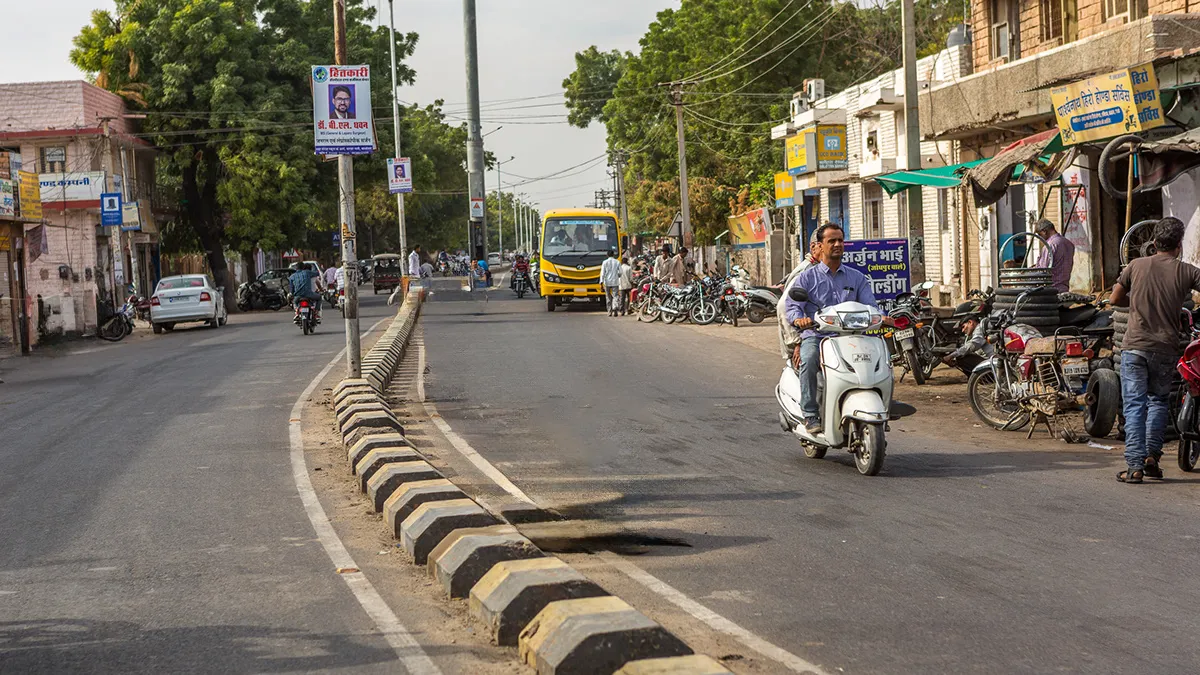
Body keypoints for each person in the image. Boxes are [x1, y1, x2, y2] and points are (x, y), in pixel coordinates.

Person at [1110, 217, 1200, 483]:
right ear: (1179, 244)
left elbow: (1115, 299)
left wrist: (1137, 302)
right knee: (1158, 401)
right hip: (1165, 348)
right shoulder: (1187, 271)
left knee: (1135, 405)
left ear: (1154, 242)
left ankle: (1135, 466)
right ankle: (1152, 458)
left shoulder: (1135, 266)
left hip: (1135, 347)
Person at [784, 223, 881, 434]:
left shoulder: (857, 277)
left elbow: (870, 306)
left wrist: (881, 317)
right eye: (832, 241)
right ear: (820, 245)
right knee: (809, 360)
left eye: (840, 240)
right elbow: (791, 307)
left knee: (880, 360)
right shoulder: (807, 277)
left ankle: (879, 407)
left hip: (851, 336)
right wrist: (799, 319)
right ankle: (810, 414)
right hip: (818, 335)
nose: (837, 244)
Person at [777, 232, 824, 363]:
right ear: (814, 247)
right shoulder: (805, 272)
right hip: (805, 338)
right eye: (826, 244)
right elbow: (783, 307)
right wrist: (797, 343)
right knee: (809, 364)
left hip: (824, 336)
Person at [942, 302, 992, 376]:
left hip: (993, 364)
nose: (962, 330)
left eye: (963, 327)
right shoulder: (977, 331)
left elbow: (971, 346)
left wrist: (951, 356)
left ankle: (984, 378)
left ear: (970, 322)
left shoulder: (980, 329)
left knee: (962, 358)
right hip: (990, 362)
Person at [1035, 219, 1075, 293]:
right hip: (1064, 288)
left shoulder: (1049, 245)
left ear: (1044, 231)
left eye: (1040, 235)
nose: (1040, 238)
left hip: (1051, 289)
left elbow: (1043, 270)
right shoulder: (1069, 243)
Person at [601, 250, 622, 316]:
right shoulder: (617, 262)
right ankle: (615, 307)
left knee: (608, 297)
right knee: (615, 296)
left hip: (607, 282)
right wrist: (617, 275)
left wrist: (601, 282)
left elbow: (602, 273)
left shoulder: (604, 262)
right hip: (615, 282)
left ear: (607, 255)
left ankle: (609, 312)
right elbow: (621, 272)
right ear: (613, 255)